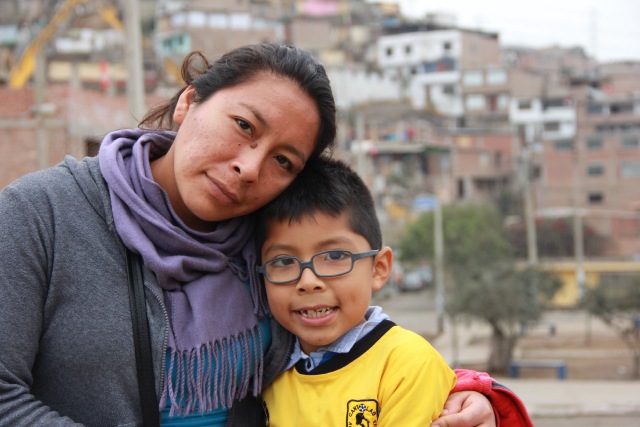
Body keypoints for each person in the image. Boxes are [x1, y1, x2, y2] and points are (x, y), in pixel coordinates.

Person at [0, 42, 526, 426]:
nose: (250, 168)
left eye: (283, 160)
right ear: (189, 103)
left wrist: (474, 395)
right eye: (244, 125)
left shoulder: (270, 243)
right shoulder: (42, 213)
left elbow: (353, 346)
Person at [255, 157, 457, 425]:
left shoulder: (408, 366)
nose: (308, 281)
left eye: (335, 255)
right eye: (283, 262)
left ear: (378, 268)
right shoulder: (264, 369)